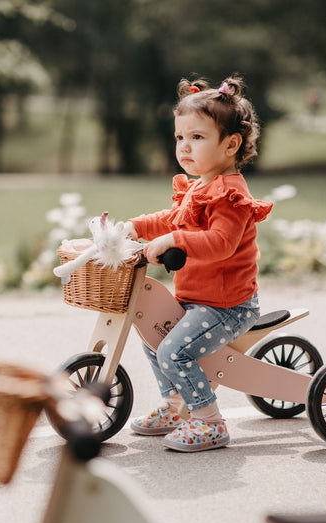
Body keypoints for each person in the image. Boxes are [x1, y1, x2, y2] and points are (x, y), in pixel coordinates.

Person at [124, 74, 272, 452]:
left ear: (231, 144)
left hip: (228, 306)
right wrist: (134, 227)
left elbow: (220, 244)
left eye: (197, 137)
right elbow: (171, 220)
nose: (184, 147)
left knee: (173, 350)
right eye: (180, 137)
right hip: (197, 300)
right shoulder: (199, 186)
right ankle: (176, 406)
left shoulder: (230, 196)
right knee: (152, 335)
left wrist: (173, 240)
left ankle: (209, 421)